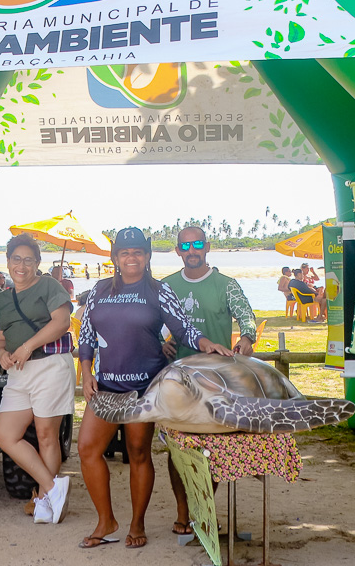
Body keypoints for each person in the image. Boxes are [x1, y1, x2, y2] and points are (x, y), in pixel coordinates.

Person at [77, 227, 233, 549]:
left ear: (147, 257)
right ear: (116, 257)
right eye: (125, 252)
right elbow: (87, 334)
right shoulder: (99, 289)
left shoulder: (159, 291)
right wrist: (85, 371)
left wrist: (207, 343)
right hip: (105, 386)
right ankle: (106, 520)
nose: (131, 257)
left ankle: (137, 524)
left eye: (137, 252)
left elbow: (182, 328)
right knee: (88, 448)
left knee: (138, 453)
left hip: (145, 388)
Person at [161, 227, 258, 536]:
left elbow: (248, 319)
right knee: (177, 451)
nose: (192, 250)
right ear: (177, 250)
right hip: (177, 381)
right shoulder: (166, 286)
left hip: (218, 383)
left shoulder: (226, 286)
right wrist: (157, 343)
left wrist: (245, 340)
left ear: (207, 247)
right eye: (185, 245)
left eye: (197, 244)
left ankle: (201, 511)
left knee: (214, 451)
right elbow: (149, 325)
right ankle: (182, 515)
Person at [0, 233, 74, 525]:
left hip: (50, 366)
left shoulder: (49, 285)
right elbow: (1, 339)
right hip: (18, 371)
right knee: (4, 434)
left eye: (28, 260)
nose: (22, 266)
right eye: (16, 259)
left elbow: (62, 322)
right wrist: (2, 352)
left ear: (37, 263)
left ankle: (43, 500)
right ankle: (53, 488)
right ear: (8, 261)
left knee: (45, 435)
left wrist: (28, 346)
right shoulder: (2, 298)